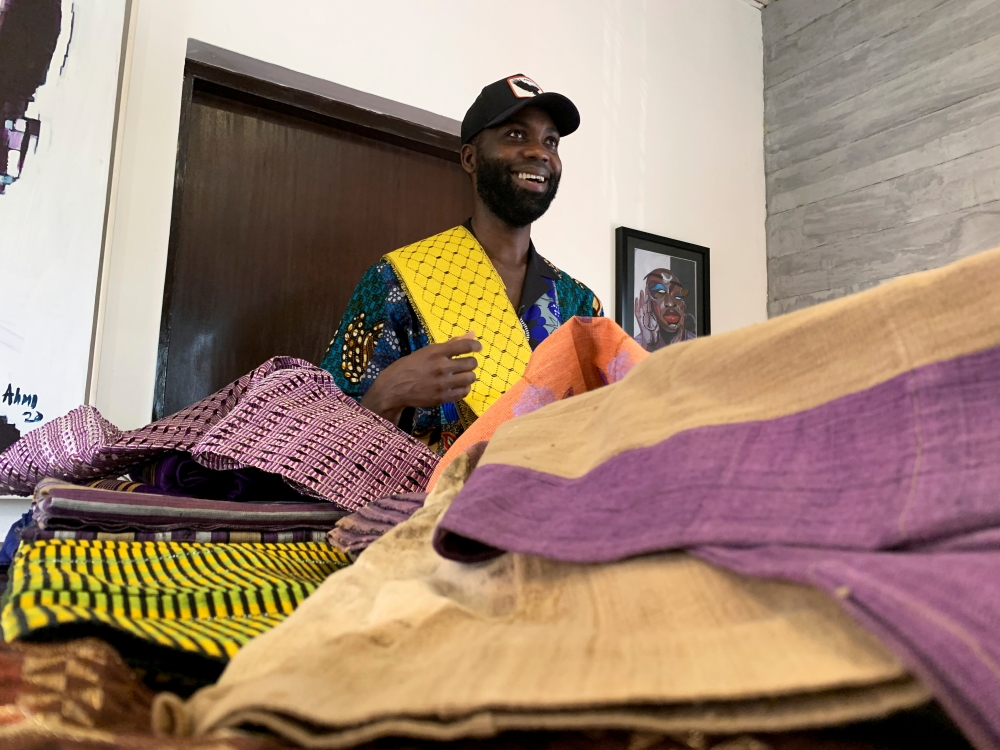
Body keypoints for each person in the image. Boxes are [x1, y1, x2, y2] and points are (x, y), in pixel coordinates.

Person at [321, 75, 602, 454]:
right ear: (470, 158)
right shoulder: (393, 282)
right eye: (516, 135)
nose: (540, 152)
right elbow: (327, 446)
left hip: (545, 508)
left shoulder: (581, 307)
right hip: (423, 508)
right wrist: (389, 392)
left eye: (551, 141)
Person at [633, 269, 697, 351]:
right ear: (647, 302)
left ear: (683, 305)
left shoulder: (697, 344)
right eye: (660, 292)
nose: (671, 303)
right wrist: (648, 345)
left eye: (678, 295)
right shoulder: (636, 347)